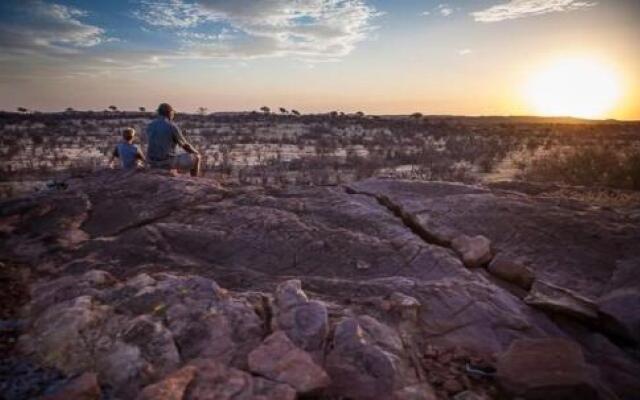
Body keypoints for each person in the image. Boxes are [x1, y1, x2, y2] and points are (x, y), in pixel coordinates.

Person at [146, 103, 201, 176]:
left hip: (151, 162)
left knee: (173, 153)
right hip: (166, 162)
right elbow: (185, 145)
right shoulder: (171, 126)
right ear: (169, 113)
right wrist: (196, 152)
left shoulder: (150, 125)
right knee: (197, 157)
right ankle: (195, 181)